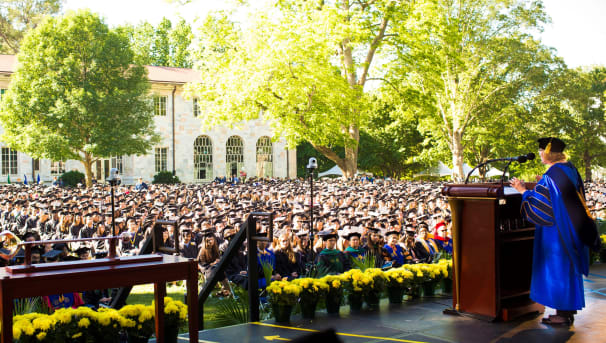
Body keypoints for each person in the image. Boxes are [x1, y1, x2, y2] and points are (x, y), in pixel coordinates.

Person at [511, 137, 598, 326]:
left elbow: (542, 208)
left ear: (550, 152)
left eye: (542, 151)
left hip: (557, 233)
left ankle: (563, 315)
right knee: (567, 270)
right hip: (572, 228)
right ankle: (566, 312)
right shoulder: (569, 169)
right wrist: (543, 183)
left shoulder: (552, 175)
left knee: (558, 270)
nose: (540, 154)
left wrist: (522, 191)